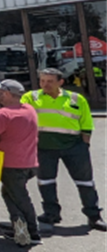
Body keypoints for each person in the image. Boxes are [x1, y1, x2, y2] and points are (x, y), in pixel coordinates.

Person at [20, 68, 106, 231]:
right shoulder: (30, 97)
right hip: (43, 147)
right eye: (43, 81)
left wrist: (84, 145)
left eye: (50, 81)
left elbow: (86, 123)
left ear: (61, 82)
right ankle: (51, 214)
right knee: (46, 182)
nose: (45, 84)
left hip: (74, 147)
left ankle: (94, 216)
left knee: (85, 182)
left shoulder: (76, 99)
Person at [0, 80, 40, 246]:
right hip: (30, 162)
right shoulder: (29, 110)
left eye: (0, 93)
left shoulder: (4, 114)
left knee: (20, 197)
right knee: (10, 193)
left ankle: (30, 230)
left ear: (8, 94)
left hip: (11, 163)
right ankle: (18, 225)